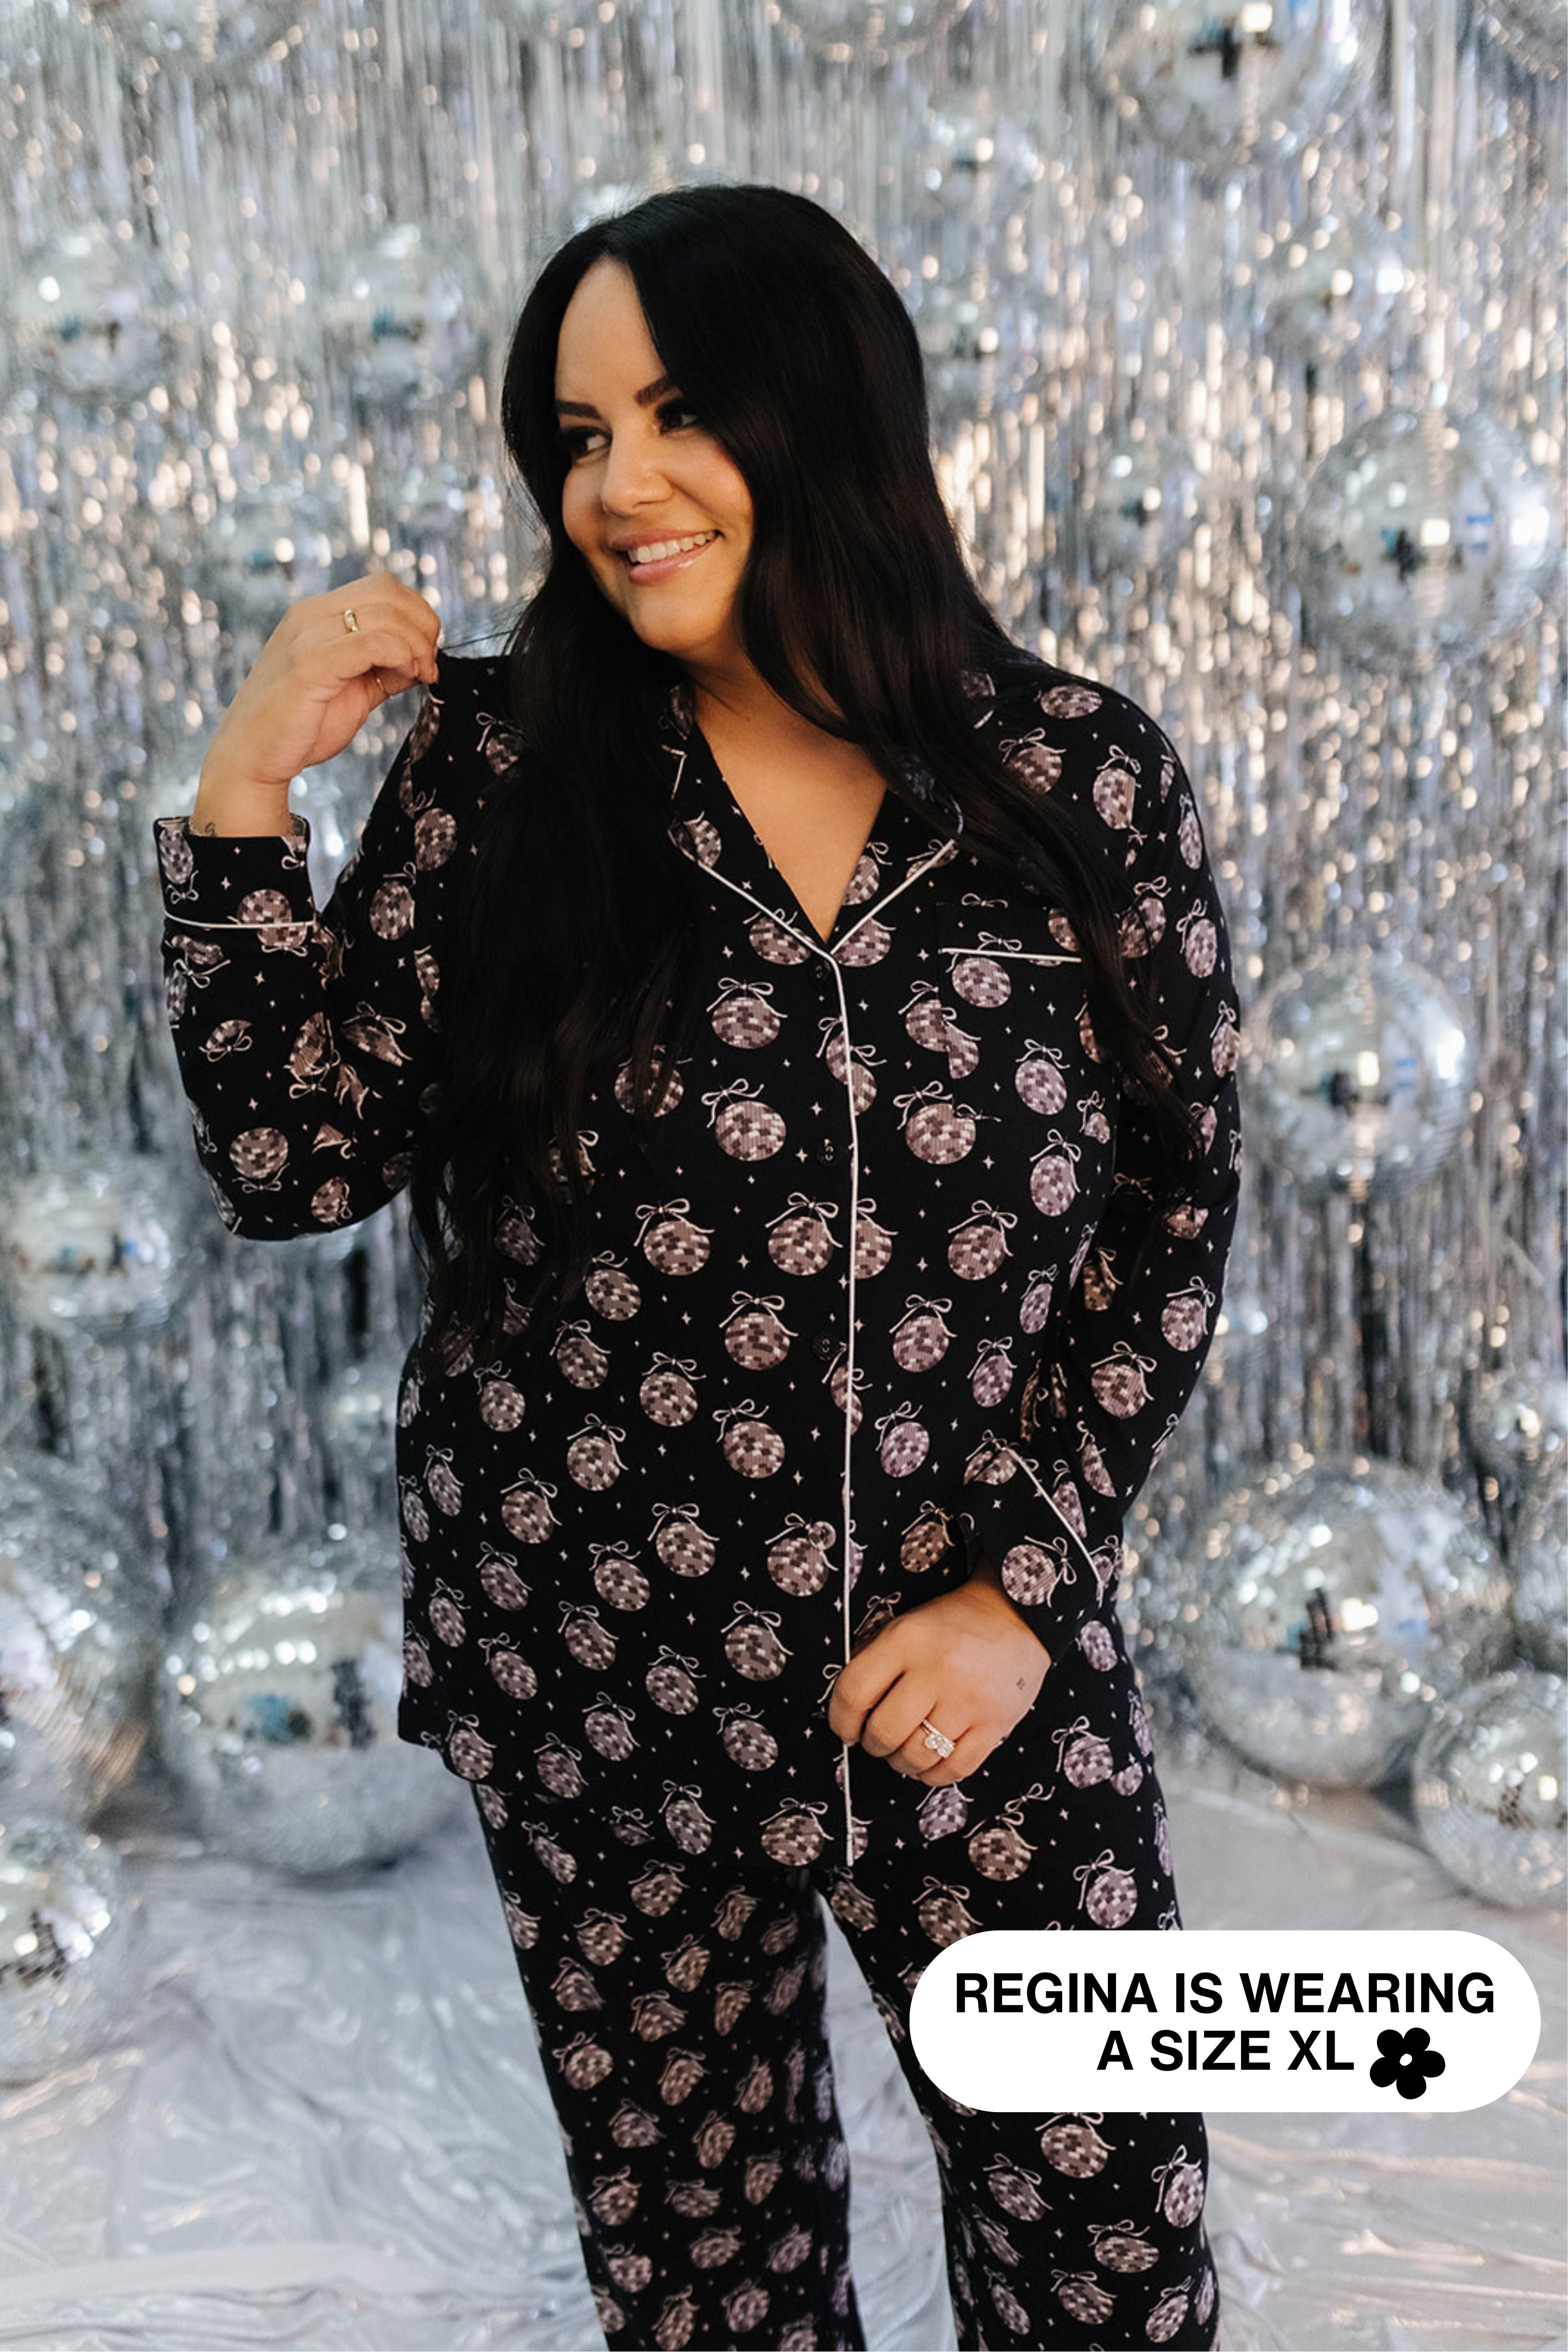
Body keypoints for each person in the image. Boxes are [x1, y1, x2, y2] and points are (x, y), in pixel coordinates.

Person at [154, 181, 1240, 2352]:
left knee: (1104, 2224)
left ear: (822, 408)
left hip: (961, 1647)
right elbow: (297, 1158)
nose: (614, 487)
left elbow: (1165, 1219)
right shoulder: (498, 773)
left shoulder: (1071, 780)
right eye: (570, 436)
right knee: (703, 2261)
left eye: (669, 415)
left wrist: (1019, 1593)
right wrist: (247, 794)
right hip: (597, 1654)